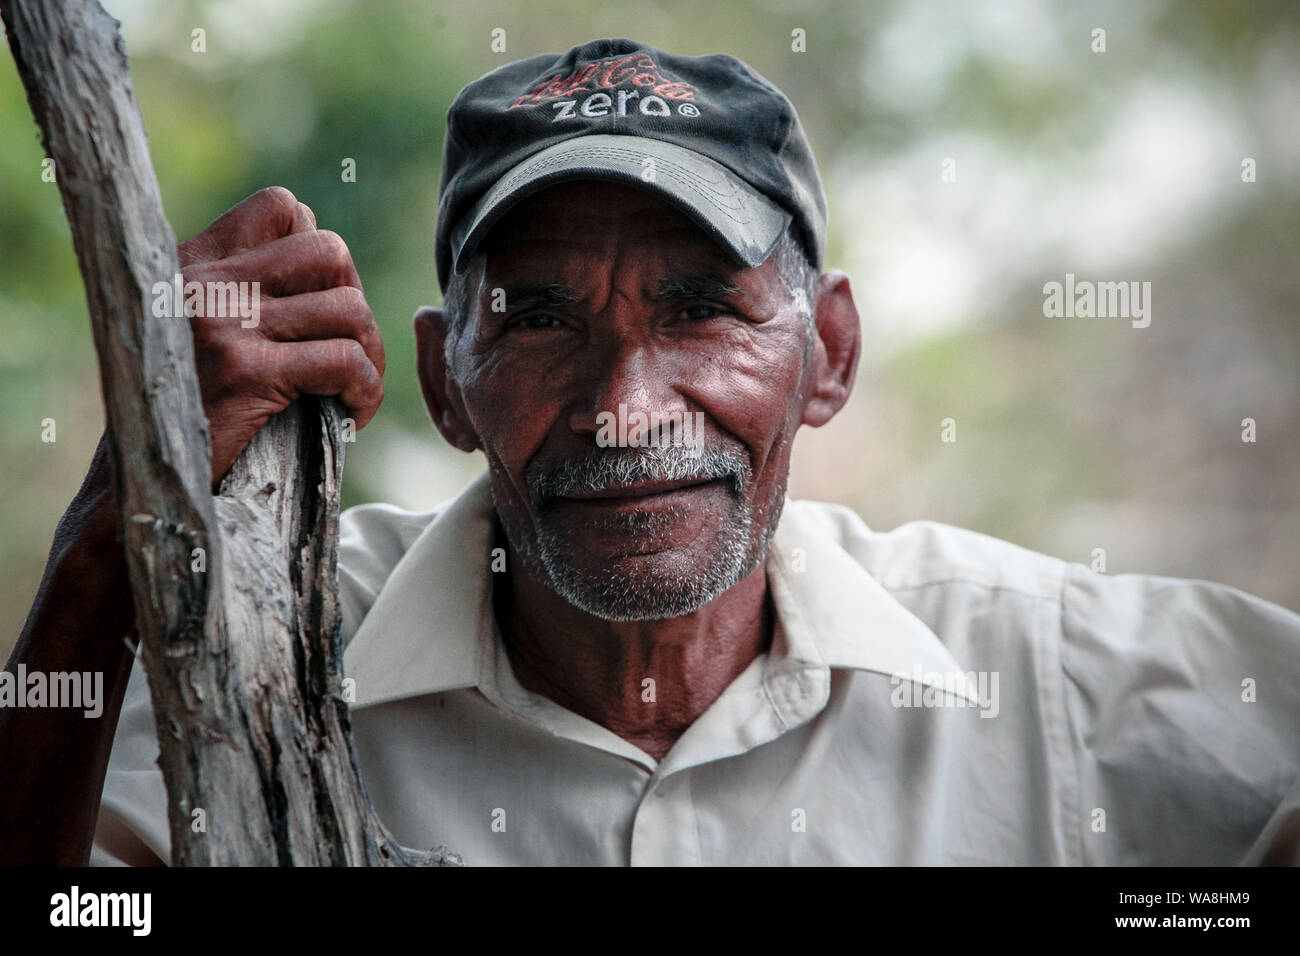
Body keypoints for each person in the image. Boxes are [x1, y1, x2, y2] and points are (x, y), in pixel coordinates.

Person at [3, 38, 1298, 867]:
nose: (625, 404)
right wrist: (112, 544)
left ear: (828, 354)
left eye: (701, 311)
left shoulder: (1054, 686)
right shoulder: (247, 663)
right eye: (542, 321)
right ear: (448, 381)